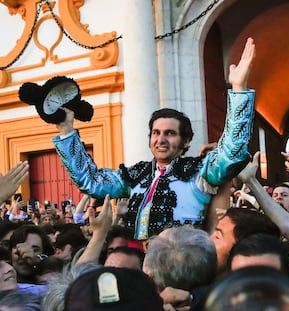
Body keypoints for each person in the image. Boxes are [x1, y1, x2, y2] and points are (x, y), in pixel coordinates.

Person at [53, 38, 256, 241]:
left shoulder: (200, 172)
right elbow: (92, 182)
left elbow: (232, 153)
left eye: (170, 133)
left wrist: (238, 89)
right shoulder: (135, 175)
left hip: (183, 263)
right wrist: (66, 130)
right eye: (156, 133)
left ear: (186, 142)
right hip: (137, 264)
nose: (161, 139)